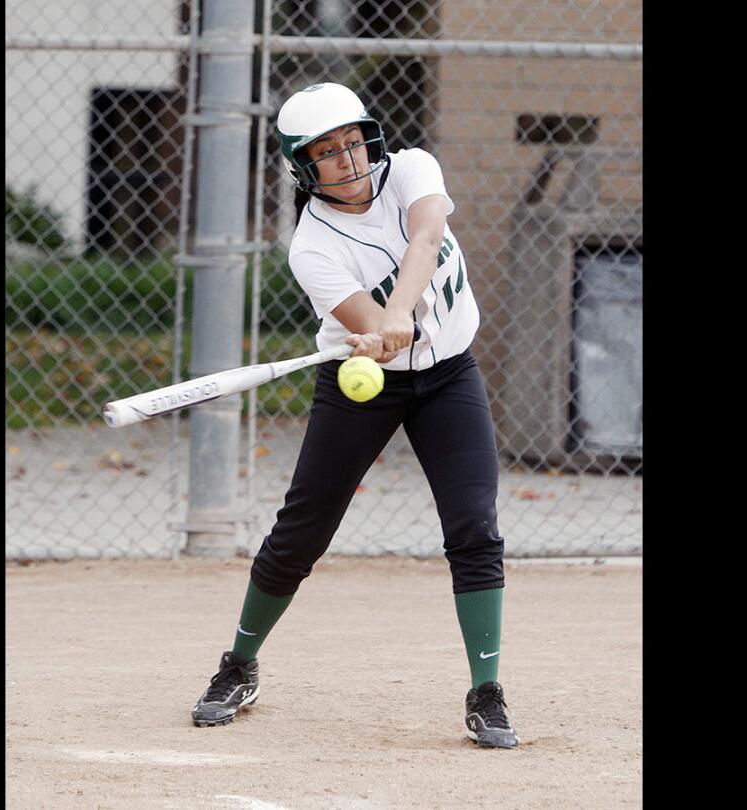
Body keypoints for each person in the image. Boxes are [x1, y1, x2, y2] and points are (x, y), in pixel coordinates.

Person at [190, 82, 517, 749]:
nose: (348, 159)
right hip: (358, 383)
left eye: (353, 142)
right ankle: (239, 665)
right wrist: (380, 326)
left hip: (450, 374)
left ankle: (487, 690)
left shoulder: (414, 170)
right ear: (305, 170)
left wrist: (399, 313)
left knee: (474, 527)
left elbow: (427, 236)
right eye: (328, 153)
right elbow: (367, 324)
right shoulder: (313, 247)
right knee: (301, 531)